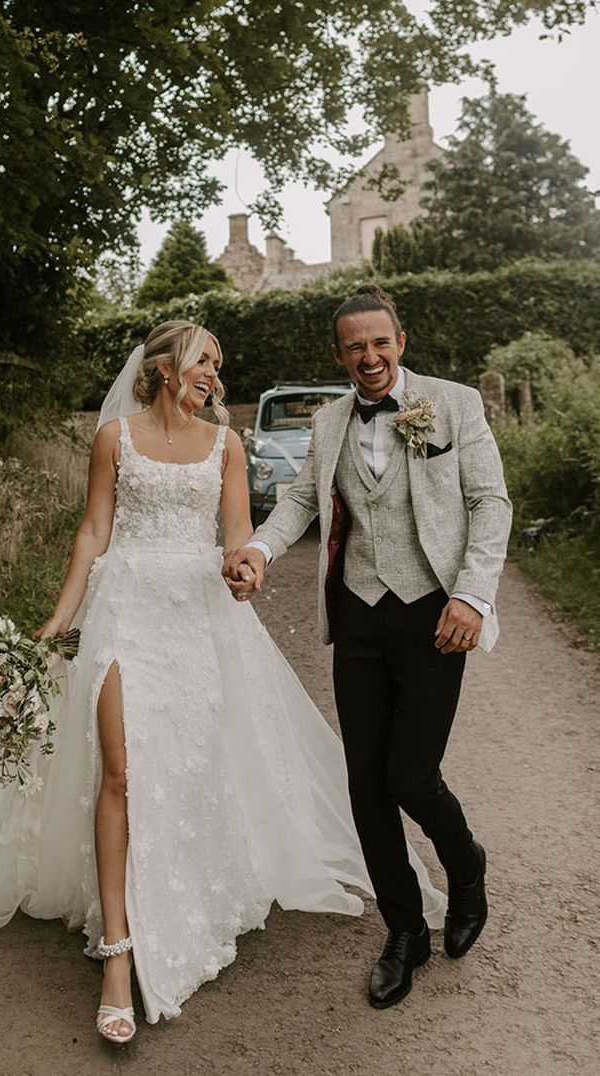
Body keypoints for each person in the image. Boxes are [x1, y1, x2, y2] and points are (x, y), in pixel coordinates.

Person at [0, 319, 446, 1044]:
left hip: (198, 619)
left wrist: (243, 569)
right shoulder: (113, 439)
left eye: (219, 365)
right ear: (164, 369)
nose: (214, 375)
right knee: (120, 772)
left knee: (192, 767)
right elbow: (94, 531)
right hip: (124, 611)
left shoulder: (225, 444)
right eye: (204, 361)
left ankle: (188, 897)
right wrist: (57, 622)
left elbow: (235, 533)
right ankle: (120, 959)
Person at [224, 285, 512, 1009]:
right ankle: (405, 931)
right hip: (356, 616)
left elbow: (490, 502)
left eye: (379, 342)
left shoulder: (453, 404)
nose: (369, 357)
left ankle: (465, 866)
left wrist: (472, 596)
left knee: (412, 776)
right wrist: (259, 547)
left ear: (401, 343)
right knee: (365, 787)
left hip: (434, 614)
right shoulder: (327, 423)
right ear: (338, 354)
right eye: (355, 346)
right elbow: (297, 500)